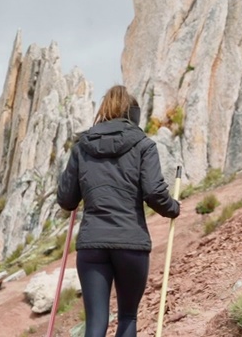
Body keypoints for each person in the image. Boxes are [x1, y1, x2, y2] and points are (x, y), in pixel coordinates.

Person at [57, 85, 180, 337]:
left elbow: (67, 199)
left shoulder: (82, 147)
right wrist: (173, 208)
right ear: (133, 114)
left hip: (92, 245)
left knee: (95, 322)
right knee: (126, 317)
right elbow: (154, 193)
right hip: (130, 242)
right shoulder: (144, 145)